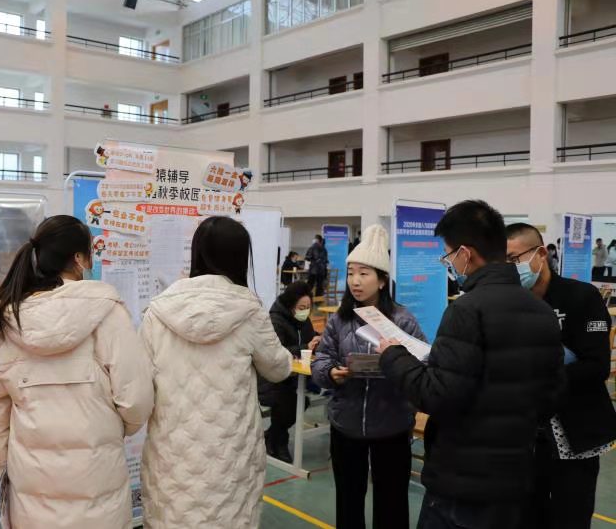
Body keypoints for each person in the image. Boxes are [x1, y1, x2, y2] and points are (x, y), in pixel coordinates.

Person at [375, 200, 564, 529]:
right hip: (515, 477)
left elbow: (437, 395)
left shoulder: (466, 310)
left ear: (465, 253)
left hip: (461, 481)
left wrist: (393, 356)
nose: (449, 263)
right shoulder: (543, 312)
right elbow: (552, 397)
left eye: (448, 255)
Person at [0, 215, 153, 529]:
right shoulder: (107, 311)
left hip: (32, 491)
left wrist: (4, 461)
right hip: (98, 485)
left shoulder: (10, 318)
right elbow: (136, 400)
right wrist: (111, 431)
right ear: (79, 259)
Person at [139, 216, 291, 528]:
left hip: (172, 447)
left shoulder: (158, 310)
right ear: (239, 258)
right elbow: (278, 368)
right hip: (230, 449)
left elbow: (140, 380)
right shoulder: (249, 310)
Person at [311, 225, 426, 529]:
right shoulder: (339, 319)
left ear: (382, 280)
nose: (355, 281)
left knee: (392, 502)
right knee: (348, 500)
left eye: (364, 273)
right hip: (346, 424)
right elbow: (322, 358)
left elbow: (421, 366)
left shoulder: (403, 320)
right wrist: (331, 373)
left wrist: (397, 365)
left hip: (392, 425)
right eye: (351, 273)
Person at [506, 223, 616, 529]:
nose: (510, 268)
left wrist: (539, 378)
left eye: (514, 259)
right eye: (503, 262)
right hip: (526, 436)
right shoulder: (512, 303)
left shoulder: (581, 296)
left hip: (576, 429)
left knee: (572, 516)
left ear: (541, 254)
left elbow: (597, 366)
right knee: (528, 514)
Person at [260, 281, 320, 462]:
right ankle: (279, 440)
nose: (305, 311)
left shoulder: (304, 321)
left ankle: (272, 437)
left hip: (292, 378)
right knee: (291, 403)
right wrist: (305, 347)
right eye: (301, 308)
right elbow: (276, 353)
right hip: (270, 379)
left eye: (308, 307)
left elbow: (310, 338)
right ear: (290, 305)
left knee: (300, 401)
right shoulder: (275, 320)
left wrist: (318, 341)